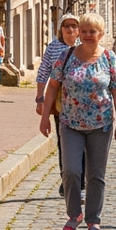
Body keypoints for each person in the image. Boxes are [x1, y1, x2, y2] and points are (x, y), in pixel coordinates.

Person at [39, 13, 116, 230]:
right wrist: (45, 116)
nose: (87, 35)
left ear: (101, 34)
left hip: (101, 124)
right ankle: (74, 214)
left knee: (96, 174)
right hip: (70, 123)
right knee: (70, 170)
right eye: (84, 31)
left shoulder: (108, 58)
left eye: (92, 31)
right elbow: (53, 86)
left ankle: (93, 220)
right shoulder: (67, 55)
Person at [35, 14, 81, 195]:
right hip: (60, 101)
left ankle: (81, 181)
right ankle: (66, 179)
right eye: (67, 26)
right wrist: (40, 98)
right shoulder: (54, 47)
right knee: (64, 142)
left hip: (82, 103)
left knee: (83, 144)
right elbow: (43, 72)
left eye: (74, 26)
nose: (70, 29)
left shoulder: (84, 46)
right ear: (61, 29)